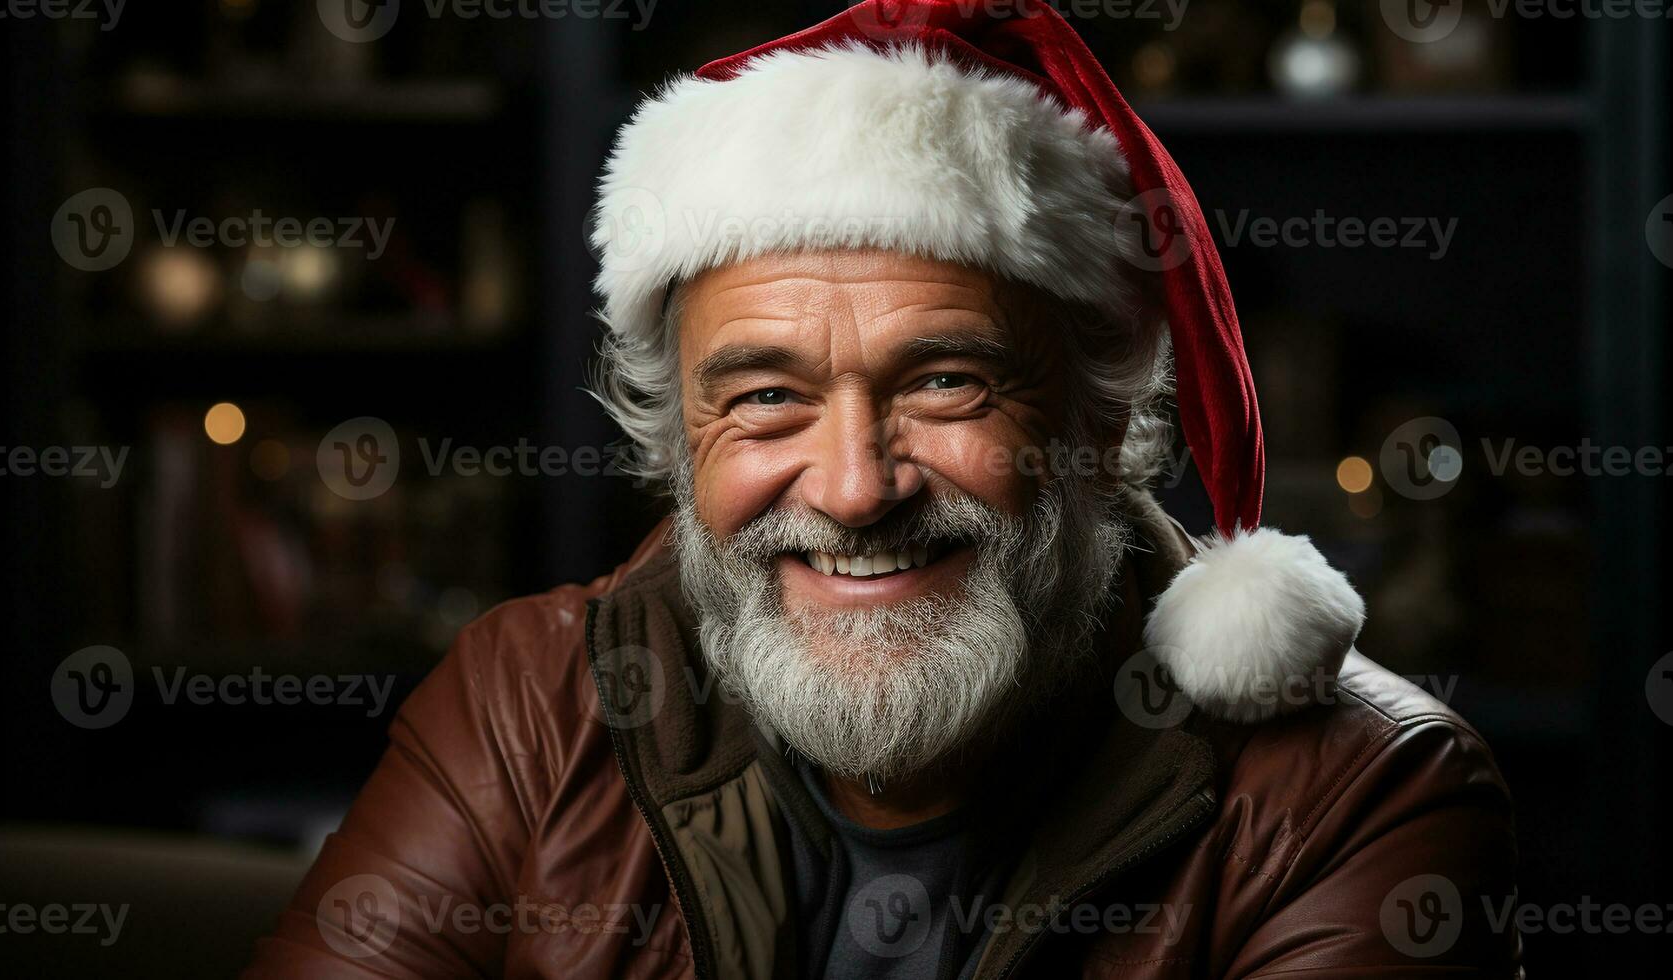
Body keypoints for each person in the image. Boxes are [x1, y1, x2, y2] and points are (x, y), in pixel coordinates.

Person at [248, 2, 1520, 976]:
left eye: (947, 382)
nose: (854, 488)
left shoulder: (1355, 793)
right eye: (763, 398)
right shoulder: (527, 704)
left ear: (1100, 412)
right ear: (677, 433)